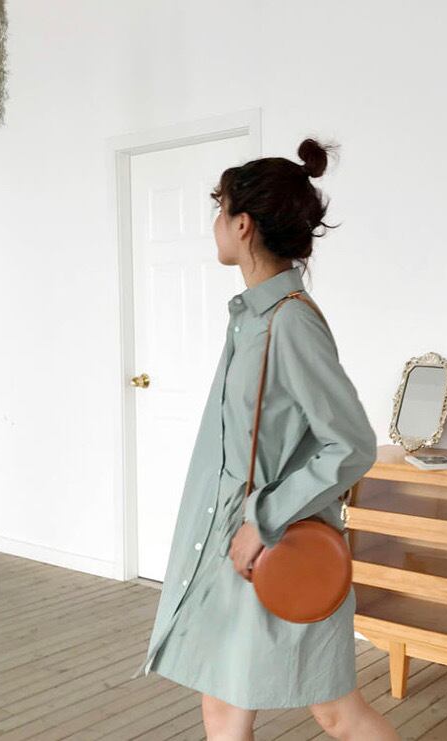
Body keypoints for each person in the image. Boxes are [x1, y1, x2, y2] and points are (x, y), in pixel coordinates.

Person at [130, 138, 400, 740]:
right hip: (234, 538)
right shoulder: (252, 317)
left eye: (219, 208)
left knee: (336, 711)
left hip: (276, 541)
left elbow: (352, 444)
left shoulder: (290, 321)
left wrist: (265, 518)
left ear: (243, 224)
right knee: (223, 706)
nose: (215, 222)